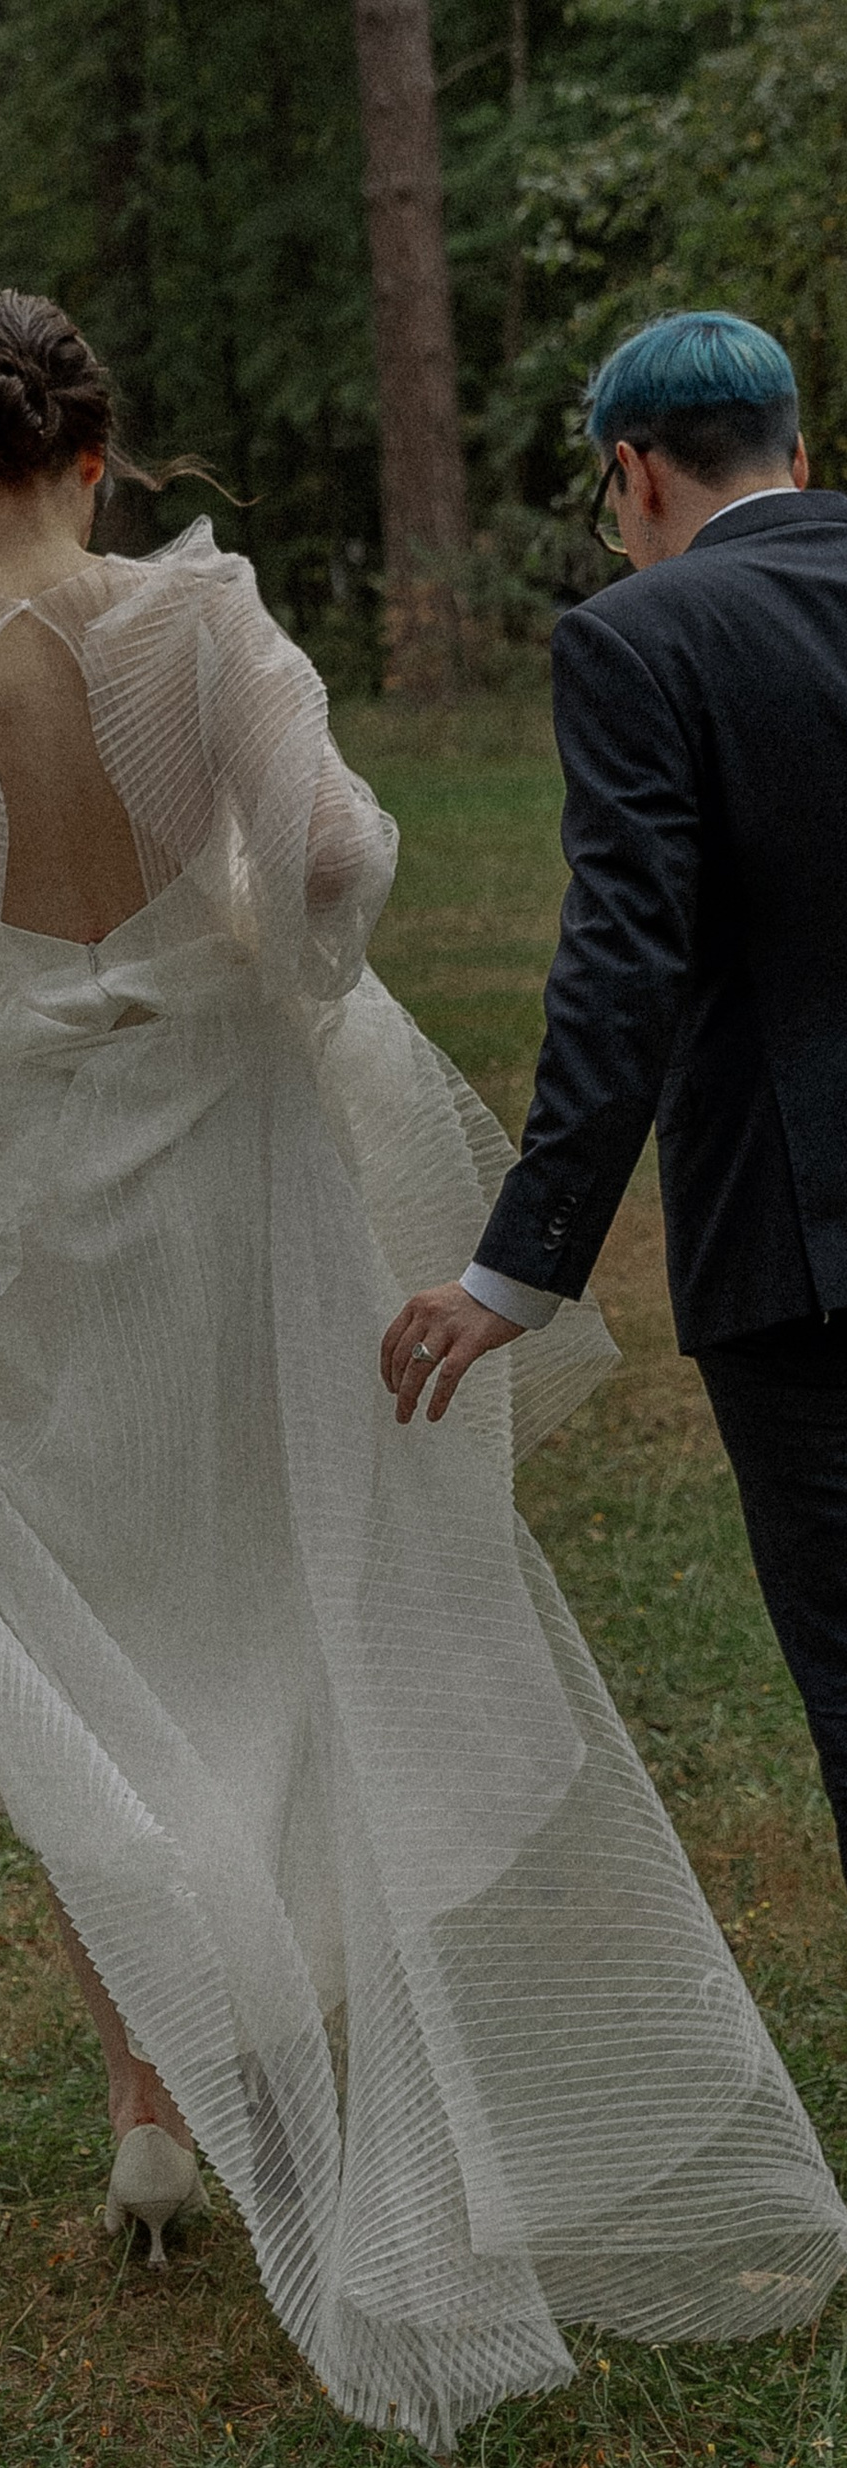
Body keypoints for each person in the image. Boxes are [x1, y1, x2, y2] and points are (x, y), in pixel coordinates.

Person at [0, 289, 847, 2453]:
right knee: (310, 1590)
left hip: (19, 1197)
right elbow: (320, 861)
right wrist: (266, 946)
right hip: (232, 1162)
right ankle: (381, 2075)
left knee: (98, 1626)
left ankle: (148, 2092)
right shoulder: (203, 624)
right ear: (99, 457)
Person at [382, 311, 847, 1881]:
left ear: (633, 475)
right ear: (802, 444)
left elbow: (622, 973)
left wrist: (516, 1268)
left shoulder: (641, 641)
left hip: (806, 1257)